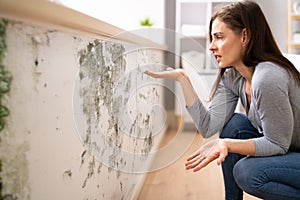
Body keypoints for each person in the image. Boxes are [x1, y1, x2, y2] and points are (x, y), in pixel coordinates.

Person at [144, 1, 300, 200]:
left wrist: (227, 144)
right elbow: (208, 127)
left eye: (219, 37)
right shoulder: (233, 76)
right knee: (234, 125)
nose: (211, 47)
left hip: (291, 151)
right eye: (211, 38)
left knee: (248, 172)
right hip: (289, 150)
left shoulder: (268, 77)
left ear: (245, 36)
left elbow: (278, 144)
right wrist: (183, 80)